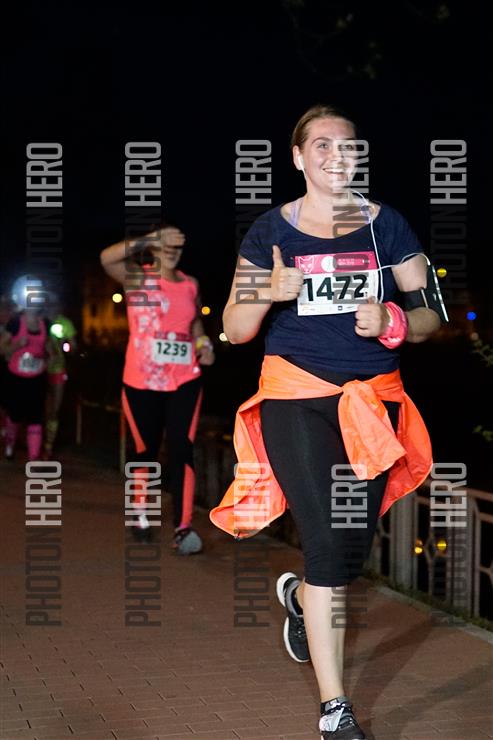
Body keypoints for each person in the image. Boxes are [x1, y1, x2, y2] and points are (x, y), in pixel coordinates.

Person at [210, 104, 441, 739]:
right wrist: (269, 291)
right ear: (297, 157)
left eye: (348, 146)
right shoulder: (270, 231)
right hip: (296, 396)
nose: (337, 155)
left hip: (372, 401)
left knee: (349, 547)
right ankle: (335, 709)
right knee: (324, 540)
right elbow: (234, 328)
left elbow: (432, 313)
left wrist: (395, 320)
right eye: (322, 145)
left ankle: (296, 598)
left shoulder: (387, 225)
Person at [100, 224, 215, 551]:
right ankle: (140, 513)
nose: (172, 250)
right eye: (166, 244)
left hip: (185, 379)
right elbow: (106, 258)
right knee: (145, 450)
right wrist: (151, 238)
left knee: (182, 448)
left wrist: (204, 344)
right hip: (141, 381)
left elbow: (195, 323)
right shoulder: (139, 278)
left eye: (178, 245)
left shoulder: (191, 284)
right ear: (153, 248)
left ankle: (183, 528)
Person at [0, 279, 54, 462]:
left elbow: (49, 346)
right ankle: (10, 445)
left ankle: (33, 458)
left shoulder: (45, 323)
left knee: (36, 418)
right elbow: (2, 348)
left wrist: (50, 356)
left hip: (37, 378)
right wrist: (17, 345)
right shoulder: (15, 323)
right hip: (16, 378)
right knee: (14, 416)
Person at [42, 300, 77, 459]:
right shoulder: (41, 320)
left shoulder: (65, 323)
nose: (53, 307)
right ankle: (37, 440)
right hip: (40, 369)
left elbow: (73, 349)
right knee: (42, 408)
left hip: (58, 369)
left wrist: (65, 344)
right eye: (50, 304)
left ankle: (48, 446)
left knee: (54, 409)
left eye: (55, 304)